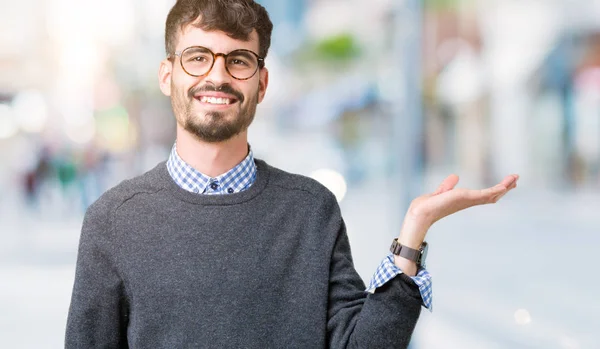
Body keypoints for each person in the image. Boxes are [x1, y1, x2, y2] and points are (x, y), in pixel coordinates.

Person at [65, 0, 519, 348]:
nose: (218, 76)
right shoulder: (113, 220)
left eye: (238, 60)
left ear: (261, 83)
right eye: (198, 57)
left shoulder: (311, 209)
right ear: (168, 76)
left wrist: (412, 236)